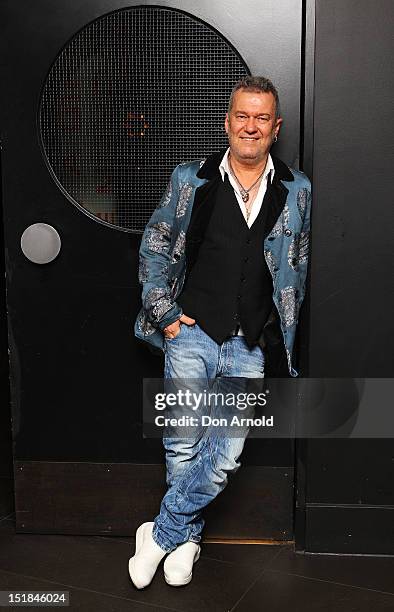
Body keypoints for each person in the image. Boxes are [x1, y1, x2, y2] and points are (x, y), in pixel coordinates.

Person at [130, 76, 312, 589]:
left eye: (261, 118)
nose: (250, 126)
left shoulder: (297, 191)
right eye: (241, 116)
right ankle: (185, 540)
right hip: (190, 332)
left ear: (275, 128)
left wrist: (278, 327)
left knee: (225, 455)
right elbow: (156, 245)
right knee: (183, 443)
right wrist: (165, 312)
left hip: (249, 342)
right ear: (227, 121)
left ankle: (162, 532)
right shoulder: (193, 179)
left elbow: (294, 266)